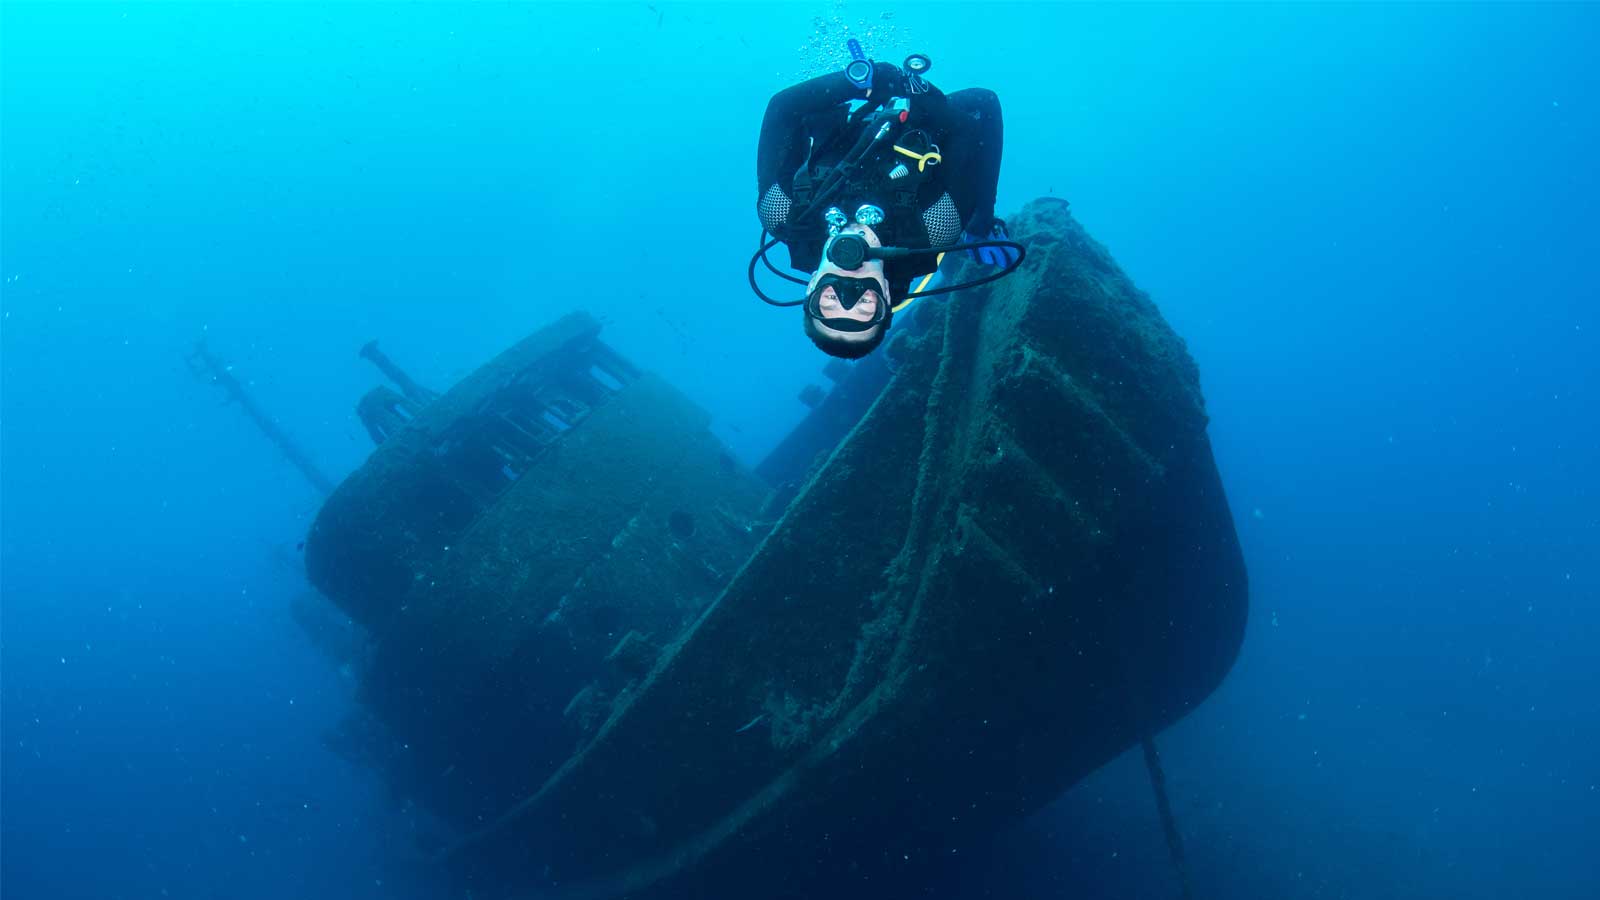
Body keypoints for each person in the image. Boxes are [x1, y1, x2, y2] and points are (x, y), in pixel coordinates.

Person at [753, 49, 1017, 359]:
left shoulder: (784, 215)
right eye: (864, 304)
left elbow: (781, 108)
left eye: (829, 301)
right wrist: (924, 97)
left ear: (811, 287)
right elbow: (966, 130)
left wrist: (859, 84)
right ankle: (982, 225)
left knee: (814, 114)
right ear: (886, 296)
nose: (848, 284)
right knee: (982, 102)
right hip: (919, 135)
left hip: (849, 134)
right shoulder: (933, 229)